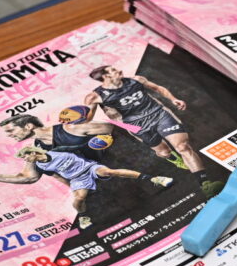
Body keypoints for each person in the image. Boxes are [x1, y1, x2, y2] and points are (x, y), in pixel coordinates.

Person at [83, 66, 223, 198]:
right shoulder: (94, 97)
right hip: (136, 125)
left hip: (159, 115)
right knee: (163, 152)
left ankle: (205, 184)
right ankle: (173, 158)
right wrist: (79, 117)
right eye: (113, 70)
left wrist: (174, 99)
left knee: (183, 147)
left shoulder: (136, 80)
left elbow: (158, 88)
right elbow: (87, 118)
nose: (119, 70)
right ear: (106, 76)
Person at [0, 146, 172, 229]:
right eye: (25, 159)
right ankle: (84, 216)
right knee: (79, 199)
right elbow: (24, 178)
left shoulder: (59, 149)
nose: (26, 160)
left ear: (32, 152)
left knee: (108, 171)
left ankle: (155, 178)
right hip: (77, 179)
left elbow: (85, 144)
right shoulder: (39, 166)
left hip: (89, 167)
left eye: (26, 157)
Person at [0, 113, 114, 159]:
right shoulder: (39, 147)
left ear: (28, 126)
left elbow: (117, 128)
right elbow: (31, 177)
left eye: (11, 130)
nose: (9, 135)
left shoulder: (71, 128)